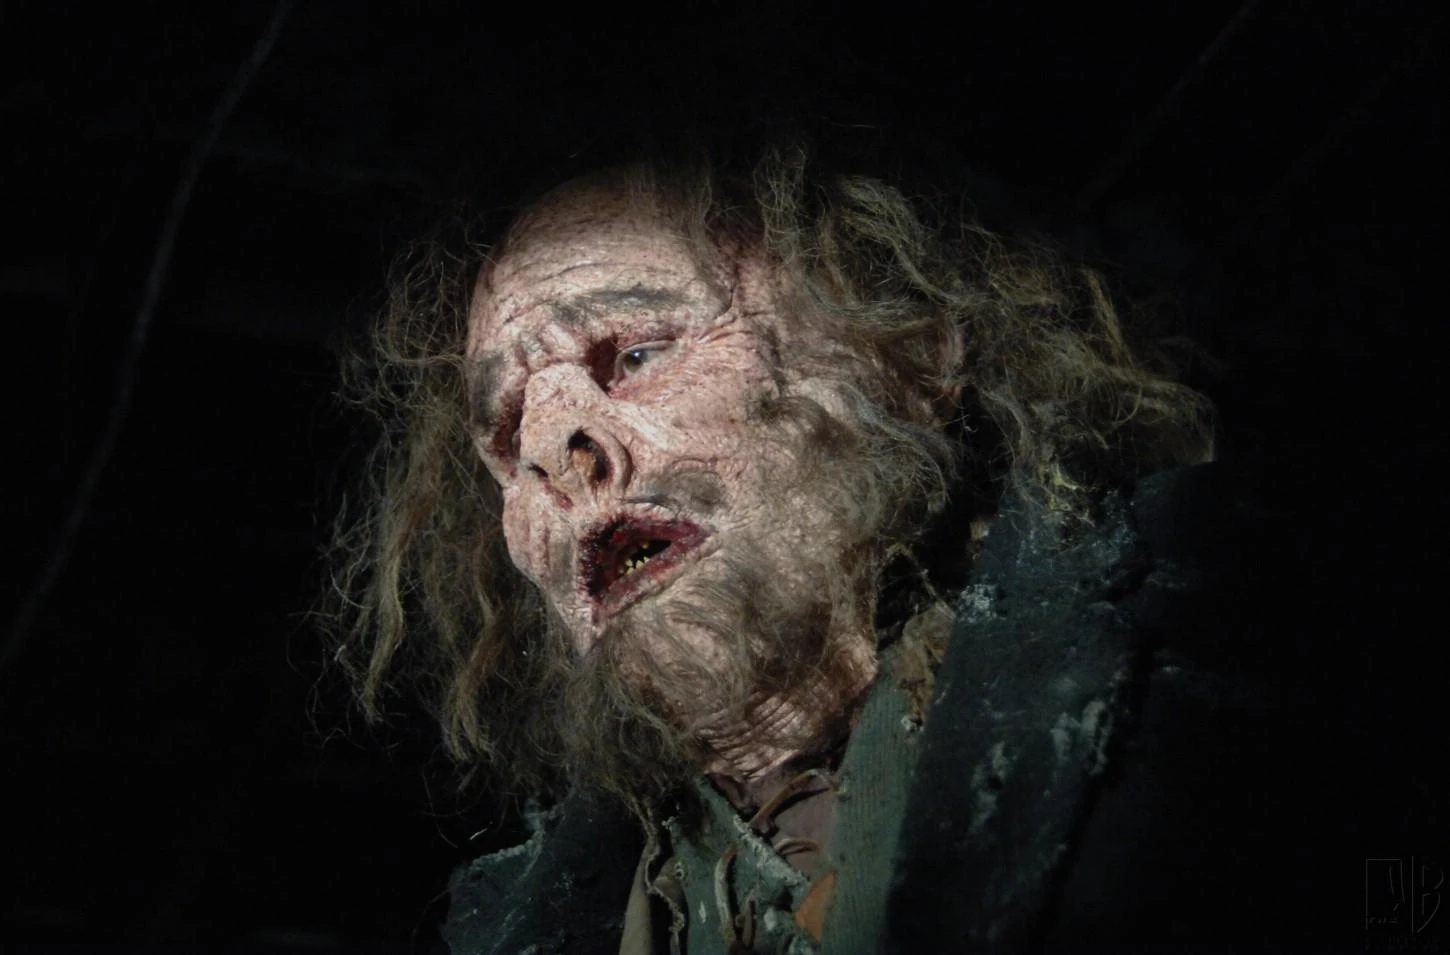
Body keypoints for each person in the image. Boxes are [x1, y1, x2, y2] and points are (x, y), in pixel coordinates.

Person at [326, 145, 1322, 953]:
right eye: (506, 437)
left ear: (908, 351)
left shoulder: (1259, 669)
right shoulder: (527, 923)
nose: (553, 453)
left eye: (636, 353)